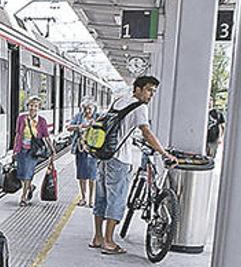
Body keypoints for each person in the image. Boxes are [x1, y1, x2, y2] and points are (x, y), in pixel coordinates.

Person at [90, 75, 176, 255]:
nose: (151, 94)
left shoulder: (120, 100)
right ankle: (109, 242)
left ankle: (97, 237)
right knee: (116, 199)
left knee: (101, 196)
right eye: (148, 90)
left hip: (104, 155)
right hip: (120, 158)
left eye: (153, 91)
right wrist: (164, 153)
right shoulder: (140, 107)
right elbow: (146, 132)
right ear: (137, 89)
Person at [12, 95, 55, 206]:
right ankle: (30, 187)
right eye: (31, 105)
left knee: (28, 174)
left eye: (35, 106)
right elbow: (18, 134)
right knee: (21, 174)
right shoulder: (21, 118)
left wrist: (52, 149)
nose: (33, 108)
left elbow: (46, 136)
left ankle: (24, 197)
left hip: (33, 151)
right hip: (22, 149)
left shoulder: (42, 121)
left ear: (38, 107)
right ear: (28, 106)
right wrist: (15, 150)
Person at [66, 98, 100, 207]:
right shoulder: (79, 117)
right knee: (81, 175)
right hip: (80, 149)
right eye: (85, 108)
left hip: (93, 150)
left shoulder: (98, 117)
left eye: (90, 108)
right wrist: (80, 126)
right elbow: (69, 127)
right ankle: (83, 197)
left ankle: (91, 200)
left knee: (92, 175)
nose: (87, 111)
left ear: (94, 109)